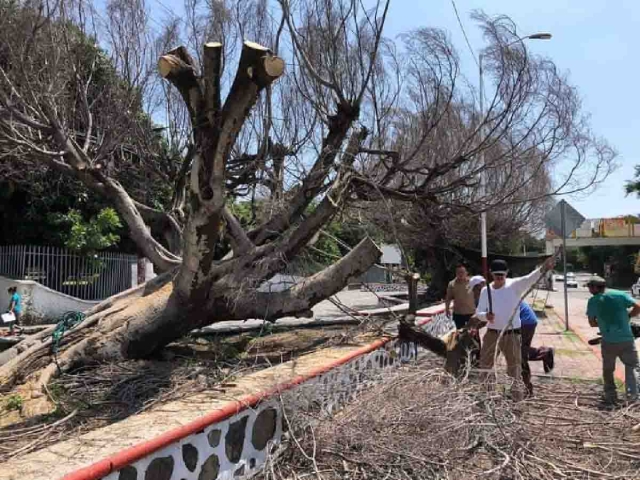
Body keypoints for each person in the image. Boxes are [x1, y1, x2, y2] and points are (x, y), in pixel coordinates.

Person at [475, 257, 555, 401]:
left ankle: (516, 399)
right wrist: (485, 316)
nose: (499, 278)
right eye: (496, 275)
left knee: (514, 368)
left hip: (511, 334)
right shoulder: (485, 291)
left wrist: (544, 268)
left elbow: (530, 278)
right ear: (490, 273)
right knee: (485, 366)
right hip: (492, 333)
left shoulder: (514, 285)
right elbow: (479, 313)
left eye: (502, 275)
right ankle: (487, 396)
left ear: (507, 273)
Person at [586, 276, 640, 404]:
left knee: (608, 369)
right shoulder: (619, 294)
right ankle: (633, 395)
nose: (589, 290)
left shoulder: (593, 301)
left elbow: (592, 323)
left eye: (589, 287)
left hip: (608, 340)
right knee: (632, 367)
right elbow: (638, 306)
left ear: (595, 287)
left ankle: (610, 394)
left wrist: (604, 322)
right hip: (627, 339)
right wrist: (628, 316)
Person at [519, 301, 555, 396]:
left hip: (524, 322)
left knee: (519, 354)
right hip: (526, 320)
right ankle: (527, 388)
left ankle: (544, 352)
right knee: (520, 354)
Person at [445, 263, 476, 329]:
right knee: (460, 333)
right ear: (456, 273)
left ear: (466, 273)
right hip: (458, 313)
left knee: (472, 333)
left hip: (471, 313)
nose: (460, 274)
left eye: (462, 272)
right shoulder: (452, 284)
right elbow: (448, 298)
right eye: (458, 272)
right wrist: (447, 309)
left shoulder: (472, 282)